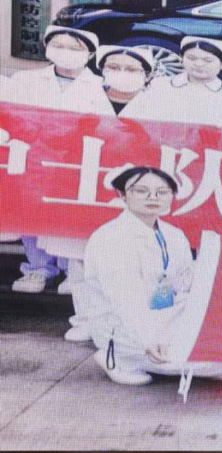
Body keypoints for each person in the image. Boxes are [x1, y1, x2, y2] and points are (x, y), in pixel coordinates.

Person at [82, 166, 222, 386]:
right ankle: (116, 358)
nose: (153, 197)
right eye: (141, 191)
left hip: (167, 312)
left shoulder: (174, 234)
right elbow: (124, 300)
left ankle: (198, 360)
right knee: (184, 356)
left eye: (162, 192)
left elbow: (183, 283)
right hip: (124, 322)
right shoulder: (111, 237)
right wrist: (148, 339)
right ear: (122, 194)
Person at [8, 27, 104, 296]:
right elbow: (13, 115)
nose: (65, 53)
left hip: (77, 160)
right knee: (30, 210)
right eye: (58, 45)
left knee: (69, 214)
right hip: (33, 155)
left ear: (90, 54)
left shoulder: (101, 86)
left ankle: (71, 269)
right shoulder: (24, 80)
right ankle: (38, 267)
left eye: (74, 48)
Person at [124, 37, 222, 128]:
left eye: (207, 60)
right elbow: (136, 116)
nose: (198, 64)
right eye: (191, 58)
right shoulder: (160, 85)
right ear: (182, 58)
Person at [95, 45, 156, 117]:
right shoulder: (89, 96)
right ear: (103, 70)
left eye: (131, 69)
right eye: (113, 67)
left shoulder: (155, 106)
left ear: (148, 76)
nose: (121, 73)